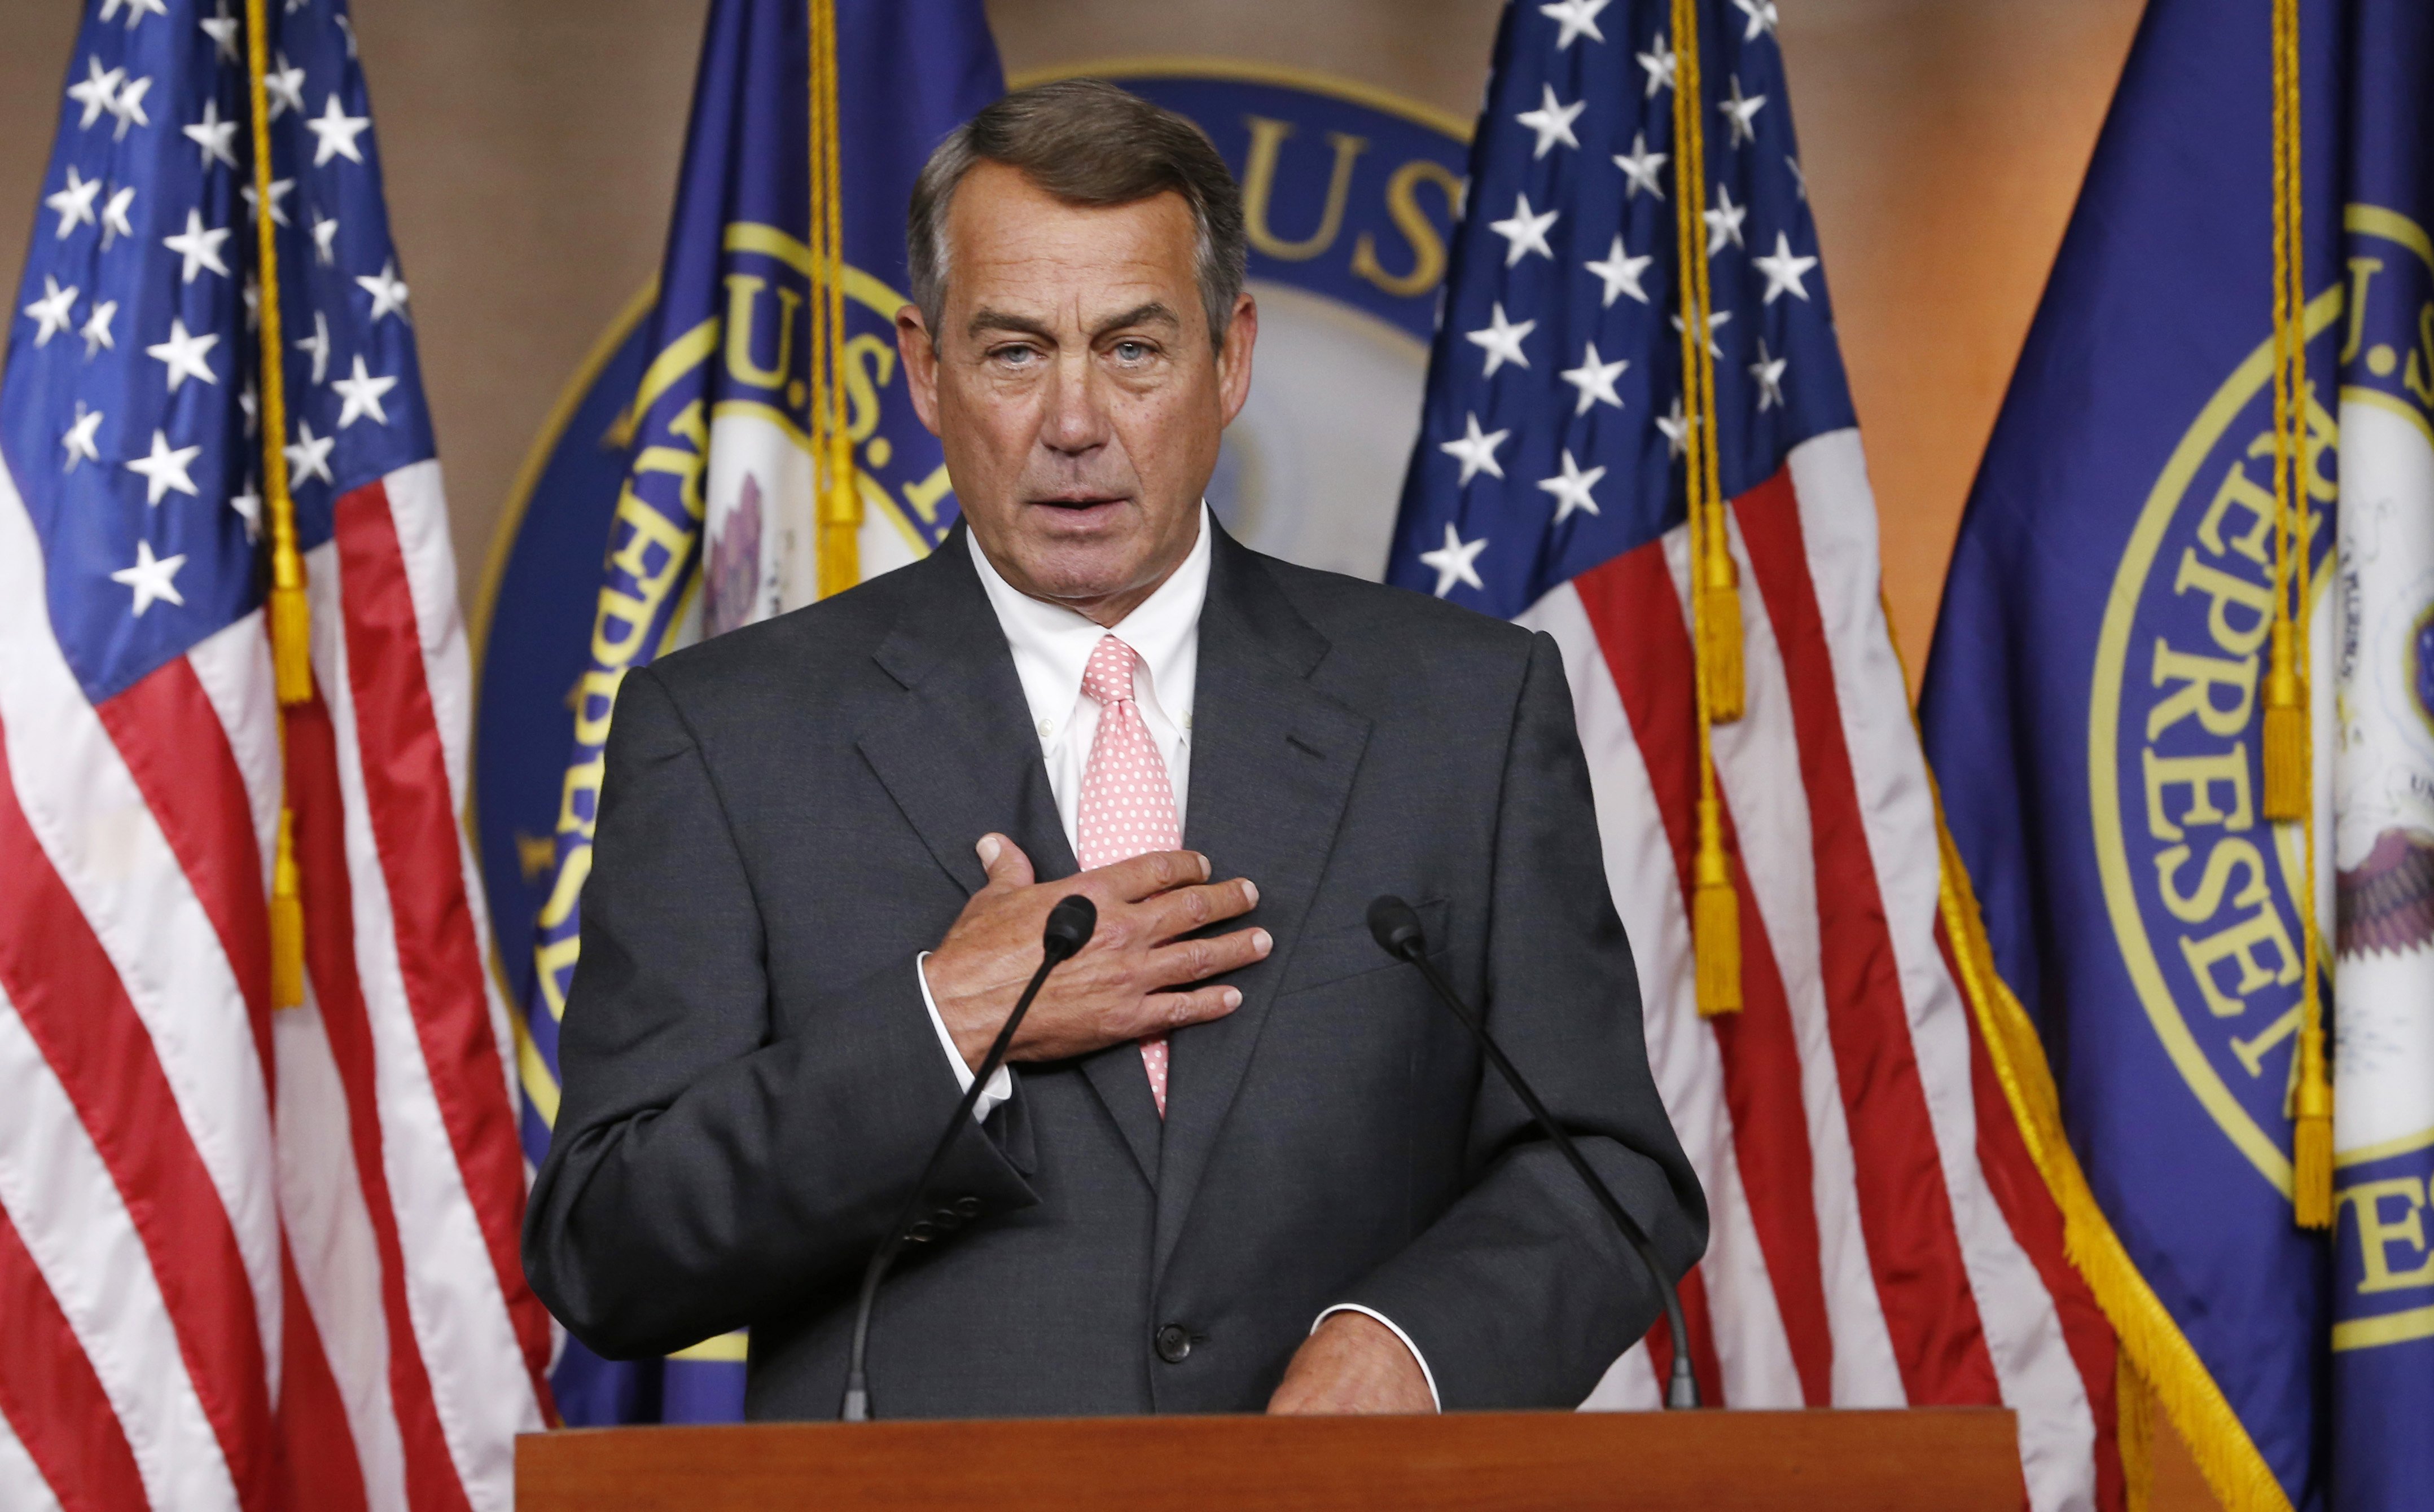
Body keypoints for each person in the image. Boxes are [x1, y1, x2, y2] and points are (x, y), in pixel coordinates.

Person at [523, 78, 1704, 1419]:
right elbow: (605, 1243)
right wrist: (942, 1025)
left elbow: (1608, 1165)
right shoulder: (727, 732)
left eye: (1134, 349)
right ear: (924, 368)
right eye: (1016, 352)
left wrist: (1411, 1345)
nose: (1074, 422)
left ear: (1230, 357)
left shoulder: (1463, 711)